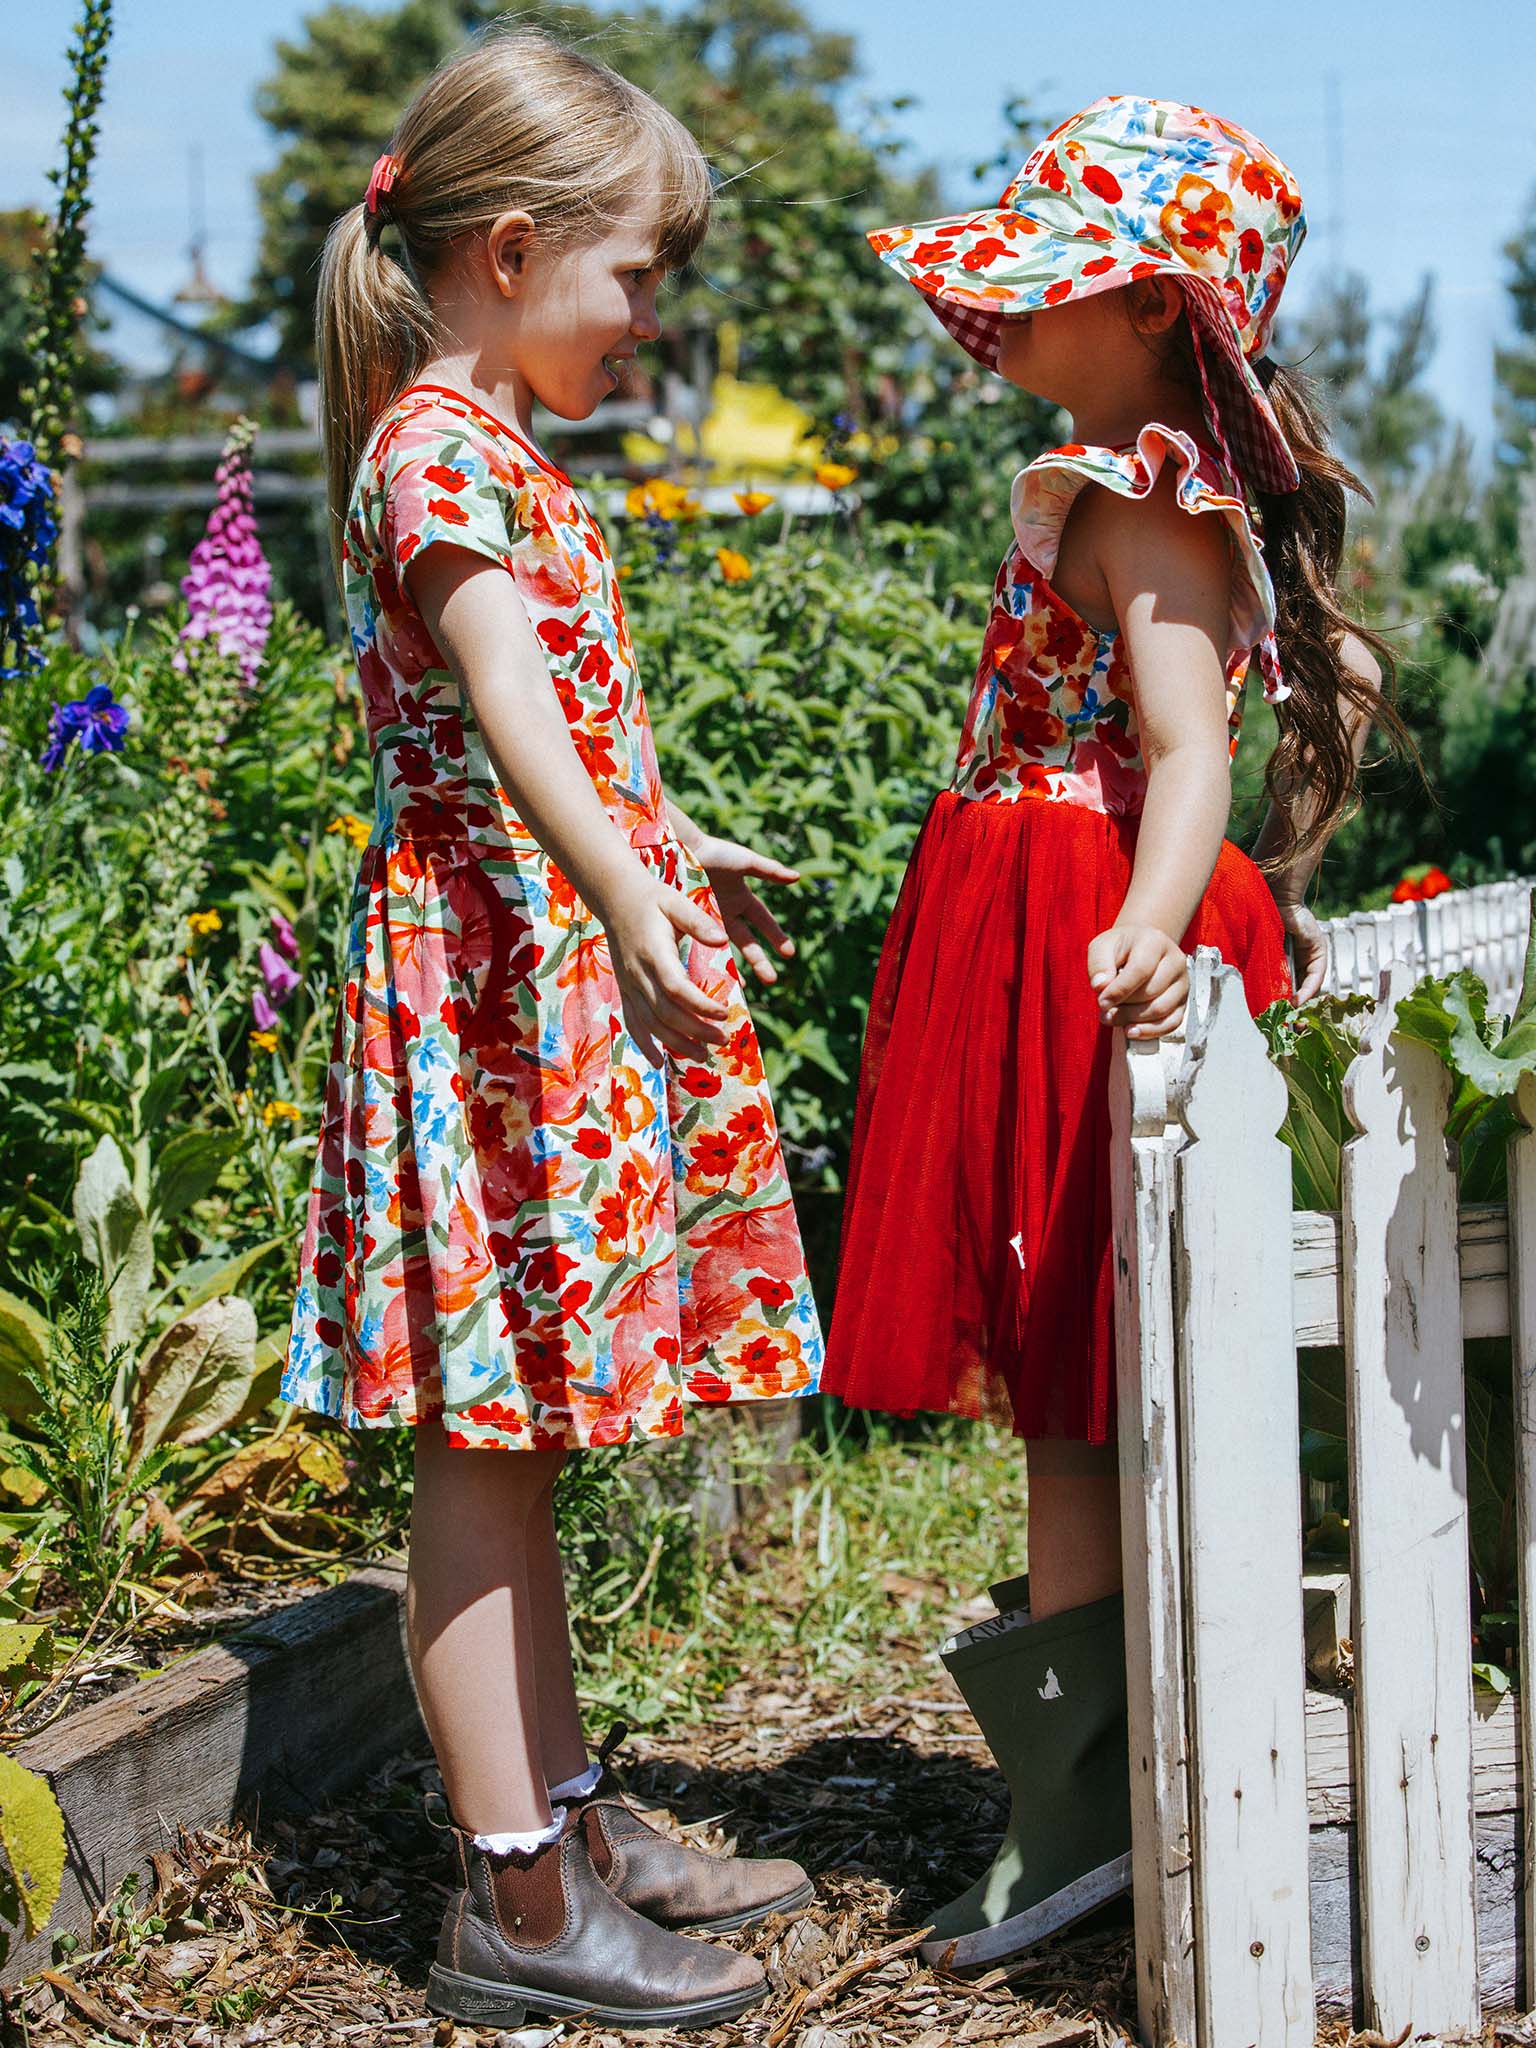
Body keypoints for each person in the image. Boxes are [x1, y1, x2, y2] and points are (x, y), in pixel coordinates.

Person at [821, 95, 1407, 1963]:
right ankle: (1084, 1779)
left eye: (1042, 288)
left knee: (1083, 1385)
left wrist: (1148, 927)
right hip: (1036, 913)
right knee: (1076, 1373)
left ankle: (1075, 1810)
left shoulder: (1146, 497)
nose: (999, 320)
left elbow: (1190, 750)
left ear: (1153, 311)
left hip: (1079, 927)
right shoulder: (1108, 473)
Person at [280, 27, 822, 2031]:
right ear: (514, 248)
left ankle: (570, 1814)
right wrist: (613, 887)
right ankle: (515, 1899)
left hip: (531, 972)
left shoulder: (495, 447)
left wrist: (671, 837)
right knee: (487, 1445)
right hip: (488, 991)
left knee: (522, 1437)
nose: (655, 319)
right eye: (640, 275)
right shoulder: (432, 447)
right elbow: (505, 706)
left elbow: (570, 719)